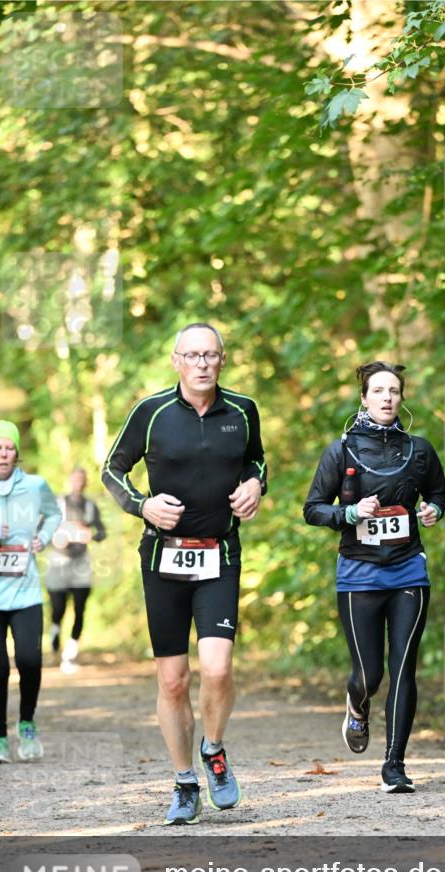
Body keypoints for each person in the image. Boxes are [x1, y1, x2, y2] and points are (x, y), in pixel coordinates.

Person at [102, 323, 267, 825]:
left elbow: (257, 459)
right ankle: (184, 781)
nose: (202, 364)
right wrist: (142, 505)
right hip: (163, 559)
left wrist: (257, 484)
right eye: (192, 355)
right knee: (173, 681)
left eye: (211, 355)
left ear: (222, 361)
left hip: (219, 553)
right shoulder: (151, 413)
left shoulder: (242, 410)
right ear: (176, 361)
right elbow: (113, 470)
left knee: (217, 669)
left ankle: (213, 750)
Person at [304, 361, 445, 792]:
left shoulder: (419, 450)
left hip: (408, 571)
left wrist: (433, 510)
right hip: (359, 575)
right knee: (369, 675)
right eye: (379, 390)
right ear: (363, 398)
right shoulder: (341, 451)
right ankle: (357, 704)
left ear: (402, 399)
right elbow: (313, 509)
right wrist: (349, 512)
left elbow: (438, 493)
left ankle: (394, 766)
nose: (387, 397)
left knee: (403, 668)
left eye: (395, 391)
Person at [0, 420, 61, 764]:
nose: (4, 453)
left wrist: (44, 536)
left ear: (17, 452)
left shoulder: (36, 486)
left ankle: (26, 726)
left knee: (29, 661)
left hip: (25, 593)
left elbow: (53, 515)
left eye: (9, 447)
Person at [46, 466, 106, 673]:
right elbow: (42, 528)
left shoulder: (90, 506)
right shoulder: (58, 502)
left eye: (82, 478)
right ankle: (54, 631)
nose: (78, 482)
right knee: (58, 608)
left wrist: (92, 535)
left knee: (80, 608)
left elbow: (101, 532)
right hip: (58, 560)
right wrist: (55, 537)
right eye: (75, 478)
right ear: (70, 480)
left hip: (81, 562)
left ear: (86, 481)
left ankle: (70, 653)